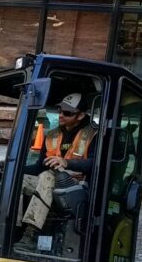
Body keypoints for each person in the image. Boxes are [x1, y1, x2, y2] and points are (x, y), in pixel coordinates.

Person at [20, 92, 97, 235]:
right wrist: (17, 169)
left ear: (80, 115)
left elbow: (96, 165)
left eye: (67, 113)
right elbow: (39, 167)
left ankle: (31, 232)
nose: (61, 115)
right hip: (51, 181)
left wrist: (66, 163)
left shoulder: (94, 134)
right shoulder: (51, 135)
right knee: (16, 181)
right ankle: (14, 228)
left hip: (77, 187)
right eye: (60, 110)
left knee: (47, 177)